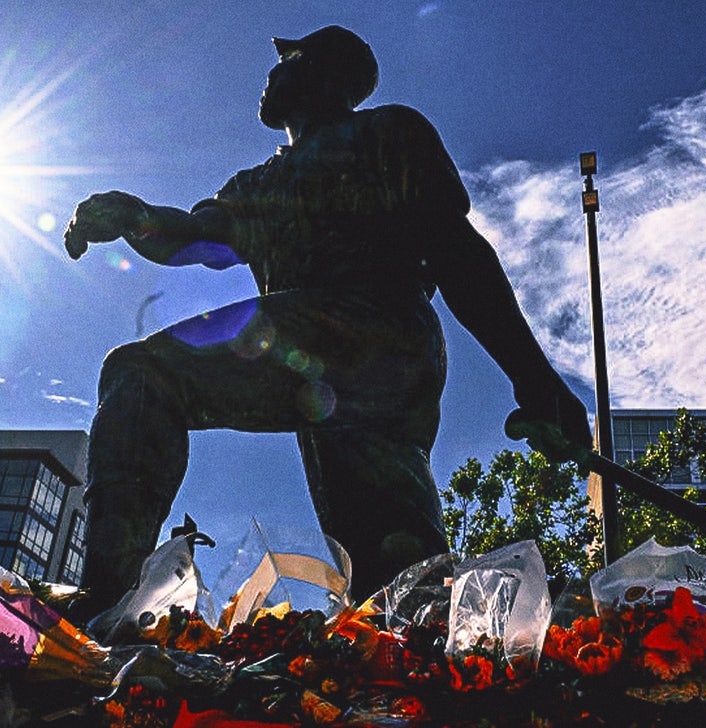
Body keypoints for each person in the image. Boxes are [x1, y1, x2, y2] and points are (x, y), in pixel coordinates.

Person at [63, 25, 591, 620]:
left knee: (144, 373)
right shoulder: (259, 184)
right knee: (395, 581)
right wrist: (136, 218)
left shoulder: (387, 132)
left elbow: (455, 248)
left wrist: (533, 377)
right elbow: (196, 236)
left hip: (374, 331)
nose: (269, 74)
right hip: (322, 374)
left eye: (286, 61)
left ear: (323, 73)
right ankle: (431, 670)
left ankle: (106, 599)